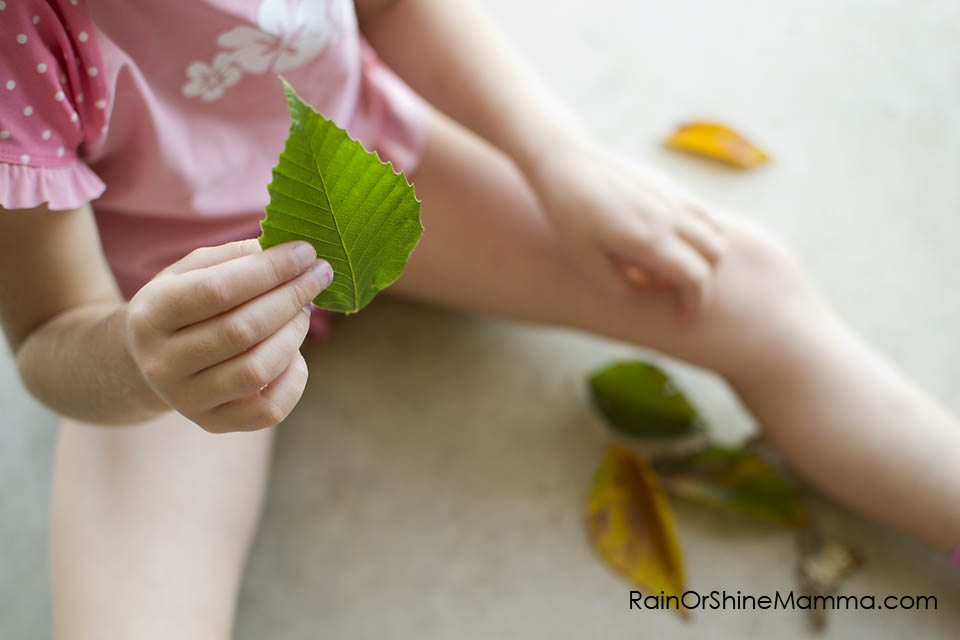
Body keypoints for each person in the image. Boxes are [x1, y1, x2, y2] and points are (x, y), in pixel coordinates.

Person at [1, 0, 958, 636]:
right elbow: (51, 338)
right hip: (156, 295)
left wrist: (558, 155)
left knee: (739, 283)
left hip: (372, 157)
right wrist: (139, 361)